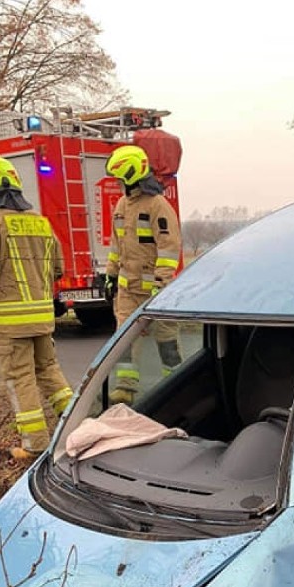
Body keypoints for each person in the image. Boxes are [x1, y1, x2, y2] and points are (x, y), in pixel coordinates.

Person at [0, 156, 72, 461]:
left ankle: (35, 443)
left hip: (12, 322)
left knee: (20, 377)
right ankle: (76, 425)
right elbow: (58, 268)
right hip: (42, 317)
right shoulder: (39, 221)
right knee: (50, 372)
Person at [104, 144, 182, 403]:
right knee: (124, 340)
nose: (116, 184)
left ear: (130, 175)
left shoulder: (157, 205)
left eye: (119, 178)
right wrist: (111, 275)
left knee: (166, 340)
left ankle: (178, 385)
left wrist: (161, 283)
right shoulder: (121, 206)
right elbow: (117, 245)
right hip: (128, 290)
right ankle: (125, 388)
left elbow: (169, 247)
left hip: (157, 291)